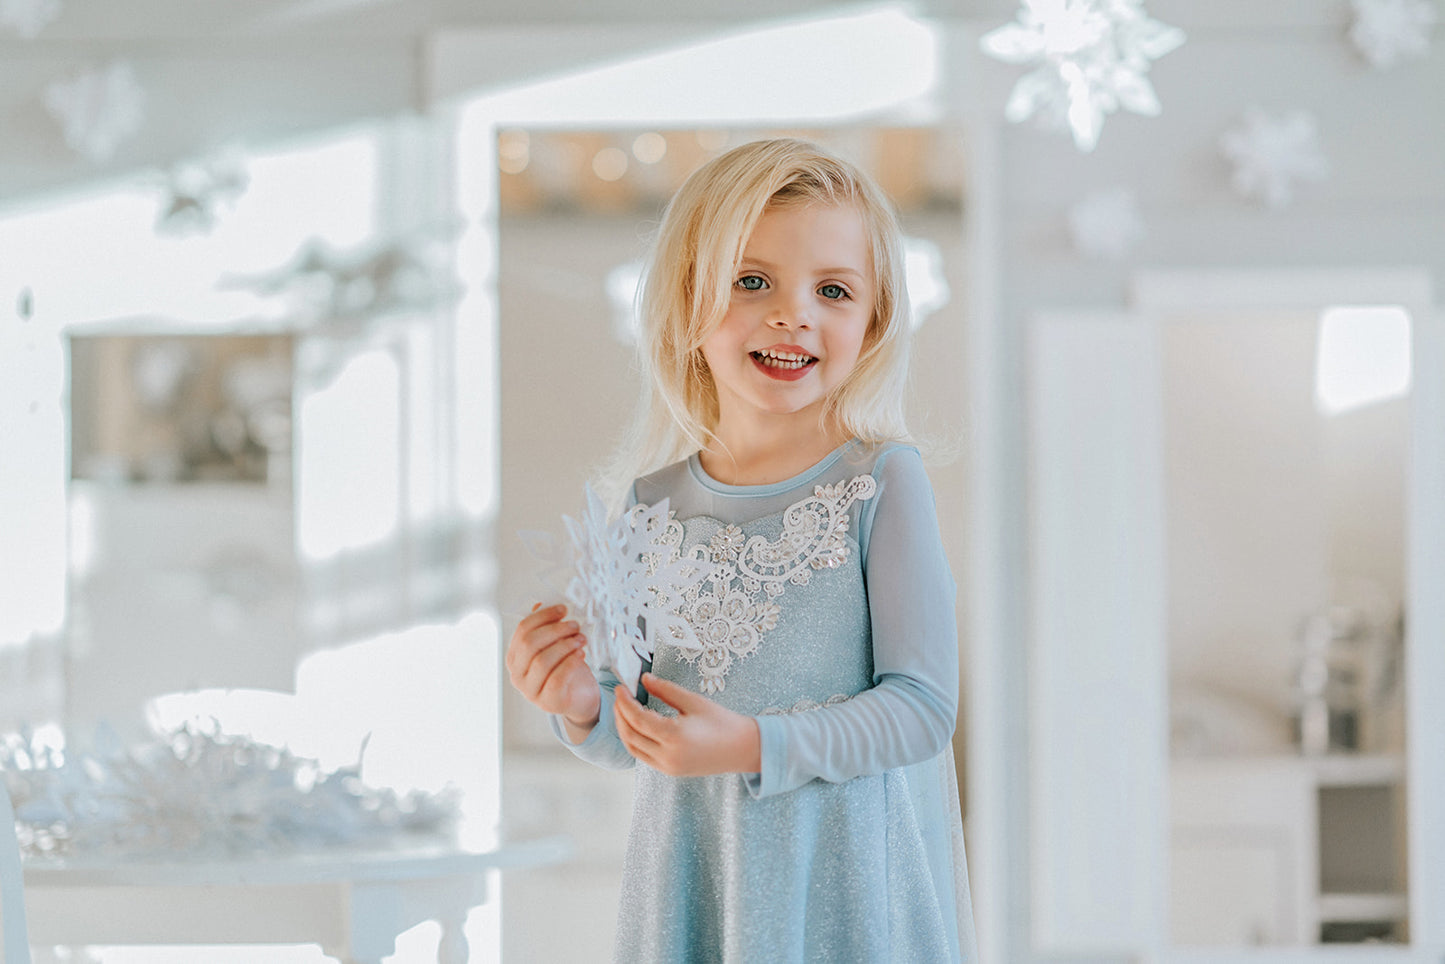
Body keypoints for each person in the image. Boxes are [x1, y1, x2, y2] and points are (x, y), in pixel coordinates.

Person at [506, 137, 976, 962]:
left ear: (872, 325)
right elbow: (637, 726)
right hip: (692, 881)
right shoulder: (651, 504)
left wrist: (756, 745)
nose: (792, 313)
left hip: (837, 887)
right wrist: (579, 699)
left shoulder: (880, 482)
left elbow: (922, 711)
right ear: (687, 302)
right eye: (750, 281)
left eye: (832, 290)